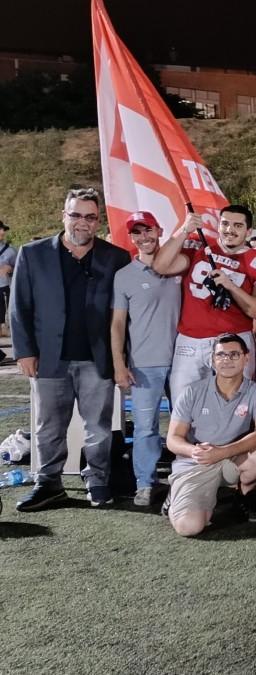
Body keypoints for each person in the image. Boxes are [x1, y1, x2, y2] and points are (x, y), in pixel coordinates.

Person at [11, 187, 130, 511]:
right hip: (49, 359)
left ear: (98, 221)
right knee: (48, 427)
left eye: (90, 217)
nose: (82, 223)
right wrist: (24, 352)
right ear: (64, 215)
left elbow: (123, 314)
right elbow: (19, 306)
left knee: (99, 428)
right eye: (75, 215)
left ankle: (98, 481)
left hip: (97, 359)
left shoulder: (116, 257)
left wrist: (121, 360)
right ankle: (49, 483)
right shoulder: (32, 254)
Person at [153, 208, 256, 406]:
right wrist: (184, 230)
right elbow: (160, 266)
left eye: (238, 225)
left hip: (235, 340)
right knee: (183, 406)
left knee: (238, 406)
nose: (230, 229)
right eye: (225, 223)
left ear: (248, 231)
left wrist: (232, 287)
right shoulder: (200, 250)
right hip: (191, 339)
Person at [163, 334, 256, 535]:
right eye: (221, 355)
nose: (227, 360)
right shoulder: (192, 391)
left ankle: (244, 496)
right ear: (213, 360)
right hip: (197, 461)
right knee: (190, 527)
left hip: (230, 458)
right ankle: (176, 496)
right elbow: (173, 439)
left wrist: (222, 452)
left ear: (246, 357)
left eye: (234, 355)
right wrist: (196, 451)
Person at [111, 211, 181, 507]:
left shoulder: (179, 265)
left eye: (148, 230)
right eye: (137, 233)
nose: (144, 237)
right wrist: (119, 363)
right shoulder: (124, 276)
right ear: (131, 238)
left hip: (183, 360)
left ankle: (186, 478)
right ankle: (145, 483)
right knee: (145, 427)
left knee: (187, 423)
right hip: (144, 364)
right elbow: (117, 324)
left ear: (159, 229)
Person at [0, 220, 17, 352]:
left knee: (3, 320)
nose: (2, 232)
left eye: (3, 230)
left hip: (4, 289)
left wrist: (10, 269)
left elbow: (20, 271)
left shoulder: (10, 251)